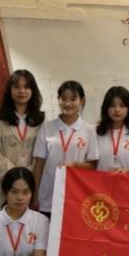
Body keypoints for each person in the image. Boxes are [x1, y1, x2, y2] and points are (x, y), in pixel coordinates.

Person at [0, 70, 45, 213]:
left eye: (26, 87)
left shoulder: (41, 120)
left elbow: (42, 157)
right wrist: (14, 176)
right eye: (16, 86)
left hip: (30, 187)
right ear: (9, 90)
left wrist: (27, 177)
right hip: (1, 186)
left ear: (33, 91)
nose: (21, 91)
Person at [33, 81, 98, 216]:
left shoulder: (90, 130)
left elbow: (93, 166)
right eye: (63, 98)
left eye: (73, 99)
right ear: (58, 100)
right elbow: (39, 165)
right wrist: (34, 194)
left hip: (77, 196)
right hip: (48, 196)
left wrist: (76, 165)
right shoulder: (47, 127)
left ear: (82, 100)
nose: (68, 103)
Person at [95, 86, 129, 173]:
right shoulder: (96, 132)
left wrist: (126, 171)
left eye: (122, 106)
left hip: (125, 180)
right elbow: (91, 163)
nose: (117, 110)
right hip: (100, 180)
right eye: (112, 105)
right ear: (106, 108)